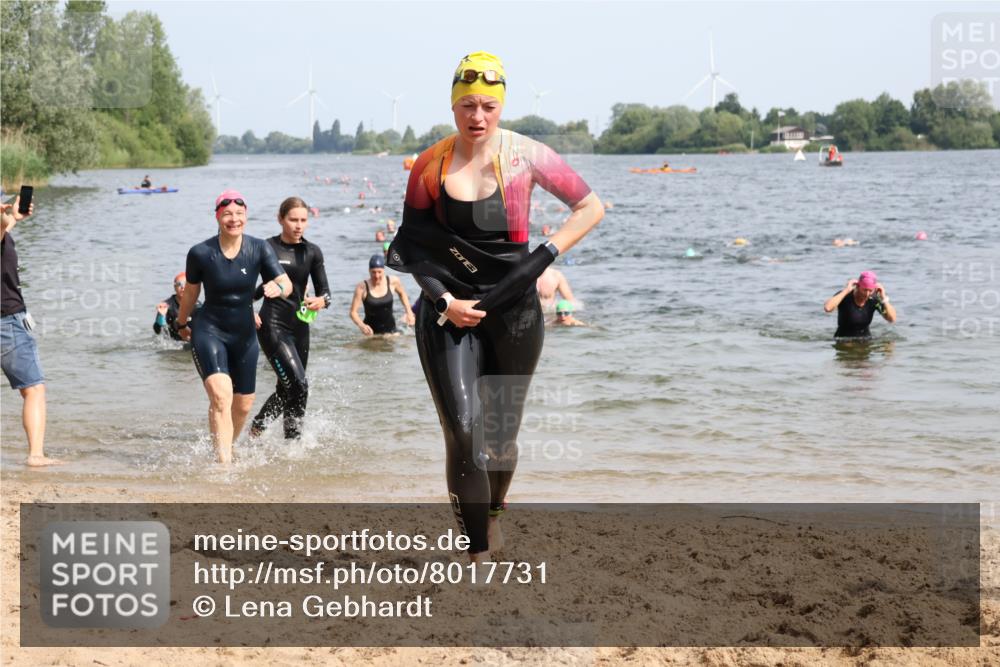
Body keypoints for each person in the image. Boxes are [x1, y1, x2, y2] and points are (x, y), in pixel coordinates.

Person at [386, 51, 604, 561]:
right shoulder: (430, 163)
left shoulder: (527, 155)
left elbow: (590, 207)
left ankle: (495, 512)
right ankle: (476, 552)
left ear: (501, 106)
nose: (477, 116)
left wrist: (543, 257)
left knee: (501, 437)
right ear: (453, 106)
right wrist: (444, 300)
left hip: (515, 312)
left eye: (487, 106)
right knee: (463, 431)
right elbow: (412, 248)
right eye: (467, 105)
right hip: (446, 311)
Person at [175, 191, 291, 463]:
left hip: (244, 336)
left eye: (239, 214)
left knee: (243, 405)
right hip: (209, 330)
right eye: (227, 214)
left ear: (246, 216)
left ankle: (225, 446)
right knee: (221, 397)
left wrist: (279, 287)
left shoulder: (259, 248)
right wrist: (181, 322)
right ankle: (223, 465)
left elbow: (286, 283)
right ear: (217, 217)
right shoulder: (200, 253)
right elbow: (191, 293)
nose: (234, 219)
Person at [249, 197, 331, 440]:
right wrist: (247, 309)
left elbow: (326, 292)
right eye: (293, 219)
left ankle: (256, 431)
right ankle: (293, 444)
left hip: (300, 326)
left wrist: (322, 301)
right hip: (272, 324)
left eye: (303, 220)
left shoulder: (312, 252)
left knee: (288, 389)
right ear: (280, 219)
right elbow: (247, 288)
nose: (298, 225)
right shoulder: (266, 247)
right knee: (299, 385)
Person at [1, 195, 61, 466]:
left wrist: (14, 217)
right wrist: (6, 218)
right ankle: (36, 455)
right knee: (33, 388)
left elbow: (5, 227)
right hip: (7, 321)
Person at [349, 254, 415, 336]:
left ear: (384, 270)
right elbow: (353, 312)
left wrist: (409, 312)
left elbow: (402, 294)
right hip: (371, 334)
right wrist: (362, 326)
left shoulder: (393, 281)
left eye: (379, 272)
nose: (377, 276)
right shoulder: (362, 287)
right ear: (369, 271)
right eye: (373, 272)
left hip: (391, 332)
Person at [823, 270, 897, 338]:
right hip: (843, 341)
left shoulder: (874, 300)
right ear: (858, 286)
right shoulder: (845, 296)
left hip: (865, 342)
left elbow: (892, 319)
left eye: (870, 290)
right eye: (865, 290)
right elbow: (827, 308)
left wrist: (884, 297)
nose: (867, 294)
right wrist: (846, 290)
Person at [154, 272, 198, 342]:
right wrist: (160, 316)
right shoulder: (167, 306)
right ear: (174, 287)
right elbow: (157, 331)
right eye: (179, 284)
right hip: (175, 343)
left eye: (185, 284)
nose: (182, 287)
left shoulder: (197, 305)